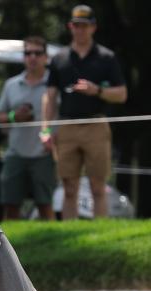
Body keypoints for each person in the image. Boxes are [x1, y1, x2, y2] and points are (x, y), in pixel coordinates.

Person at [41, 5, 127, 219]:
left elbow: (122, 94)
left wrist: (96, 90)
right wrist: (45, 128)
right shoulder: (59, 58)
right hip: (67, 125)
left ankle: (100, 235)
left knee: (99, 186)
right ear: (70, 27)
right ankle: (72, 233)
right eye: (76, 25)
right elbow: (50, 97)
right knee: (69, 188)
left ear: (93, 27)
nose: (80, 30)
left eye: (85, 26)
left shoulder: (106, 57)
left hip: (96, 125)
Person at [0, 36, 56, 220]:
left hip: (44, 154)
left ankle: (53, 244)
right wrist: (15, 116)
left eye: (37, 53)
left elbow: (62, 117)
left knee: (45, 205)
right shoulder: (11, 84)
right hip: (15, 153)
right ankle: (9, 246)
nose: (32, 57)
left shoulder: (54, 85)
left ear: (46, 57)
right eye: (28, 53)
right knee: (10, 205)